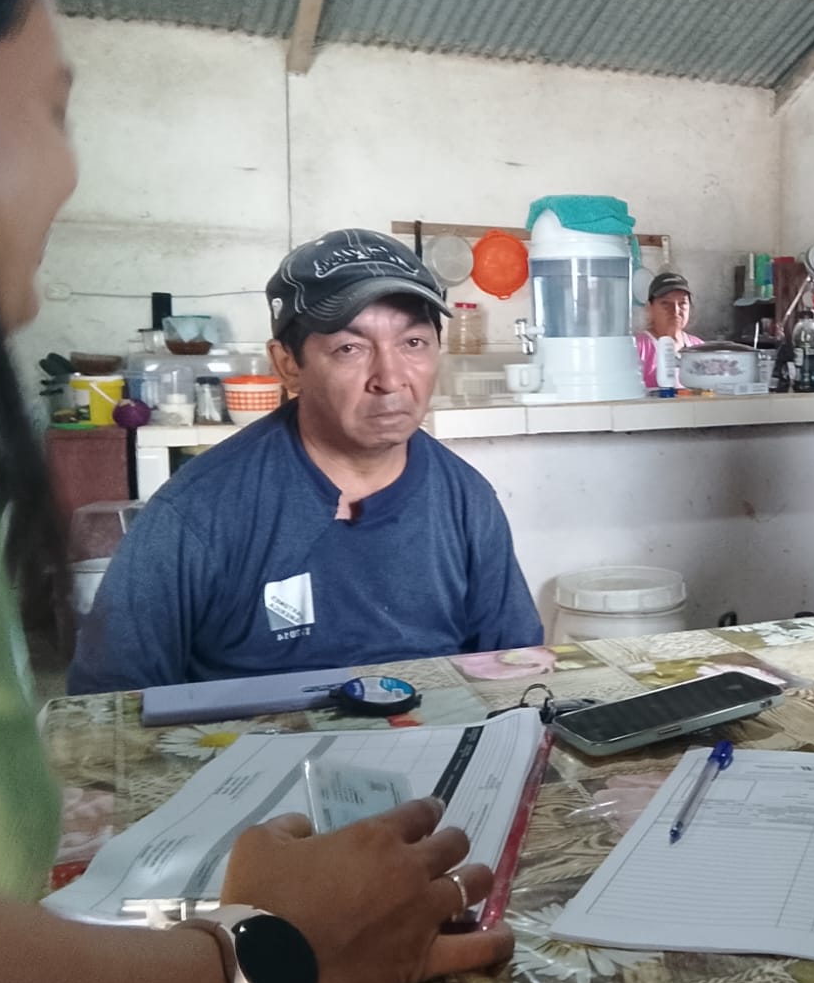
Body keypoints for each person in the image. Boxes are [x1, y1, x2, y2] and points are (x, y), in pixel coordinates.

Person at [0, 0, 510, 983]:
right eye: (53, 108)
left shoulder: (467, 501)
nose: (70, 170)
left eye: (416, 343)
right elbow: (111, 735)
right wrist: (261, 973)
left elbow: (513, 680)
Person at [69, 228, 543, 696]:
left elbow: (517, 669)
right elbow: (105, 706)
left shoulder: (465, 500)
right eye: (350, 348)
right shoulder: (197, 513)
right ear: (288, 365)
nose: (390, 378)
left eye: (413, 343)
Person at [636, 270, 703, 389]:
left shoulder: (699, 347)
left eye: (682, 303)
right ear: (650, 307)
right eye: (665, 303)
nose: (675, 310)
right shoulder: (639, 347)